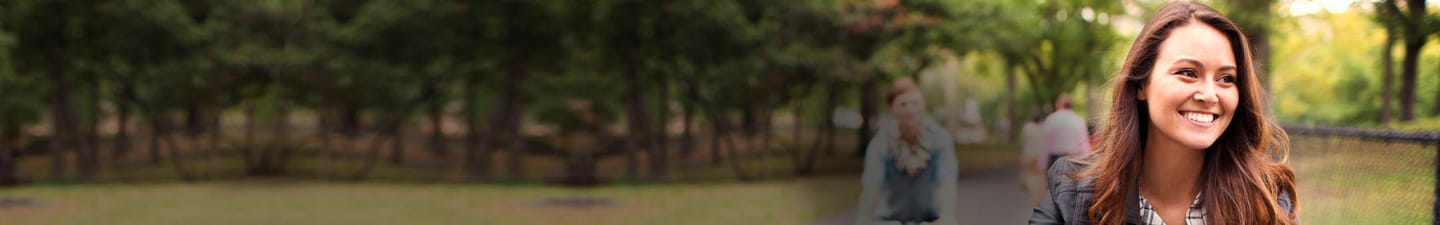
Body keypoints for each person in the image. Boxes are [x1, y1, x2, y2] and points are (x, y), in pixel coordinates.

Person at [1029, 2, 1298, 225]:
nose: (1210, 94)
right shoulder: (1072, 193)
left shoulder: (1268, 197)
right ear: (1142, 84)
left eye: (1226, 78)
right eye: (1188, 73)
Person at [856, 78, 959, 225]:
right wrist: (862, 219)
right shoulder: (880, 143)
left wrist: (948, 216)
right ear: (892, 109)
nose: (910, 109)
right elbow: (871, 185)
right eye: (903, 104)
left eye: (915, 103)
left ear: (923, 105)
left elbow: (947, 182)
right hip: (890, 219)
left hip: (930, 217)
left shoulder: (940, 139)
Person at [1041, 93, 1091, 169]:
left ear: (1059, 104)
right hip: (1073, 160)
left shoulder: (1051, 119)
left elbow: (1045, 144)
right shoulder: (1078, 120)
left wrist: (1042, 164)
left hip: (1054, 160)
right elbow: (1084, 145)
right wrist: (1087, 164)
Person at [1020, 107, 1050, 207]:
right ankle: (1039, 196)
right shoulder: (1044, 127)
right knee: (1041, 176)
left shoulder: (1028, 127)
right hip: (1041, 154)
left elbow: (1024, 141)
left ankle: (1033, 195)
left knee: (1031, 175)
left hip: (1029, 154)